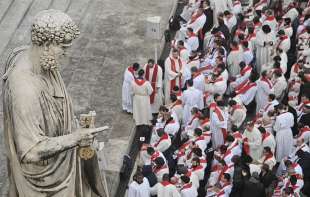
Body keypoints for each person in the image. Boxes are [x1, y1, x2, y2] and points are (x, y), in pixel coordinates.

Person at [2, 10, 109, 196]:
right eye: (63, 47)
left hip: (62, 159)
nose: (67, 53)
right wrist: (75, 138)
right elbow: (29, 152)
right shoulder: (24, 88)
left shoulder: (38, 59)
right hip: (46, 180)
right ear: (45, 44)